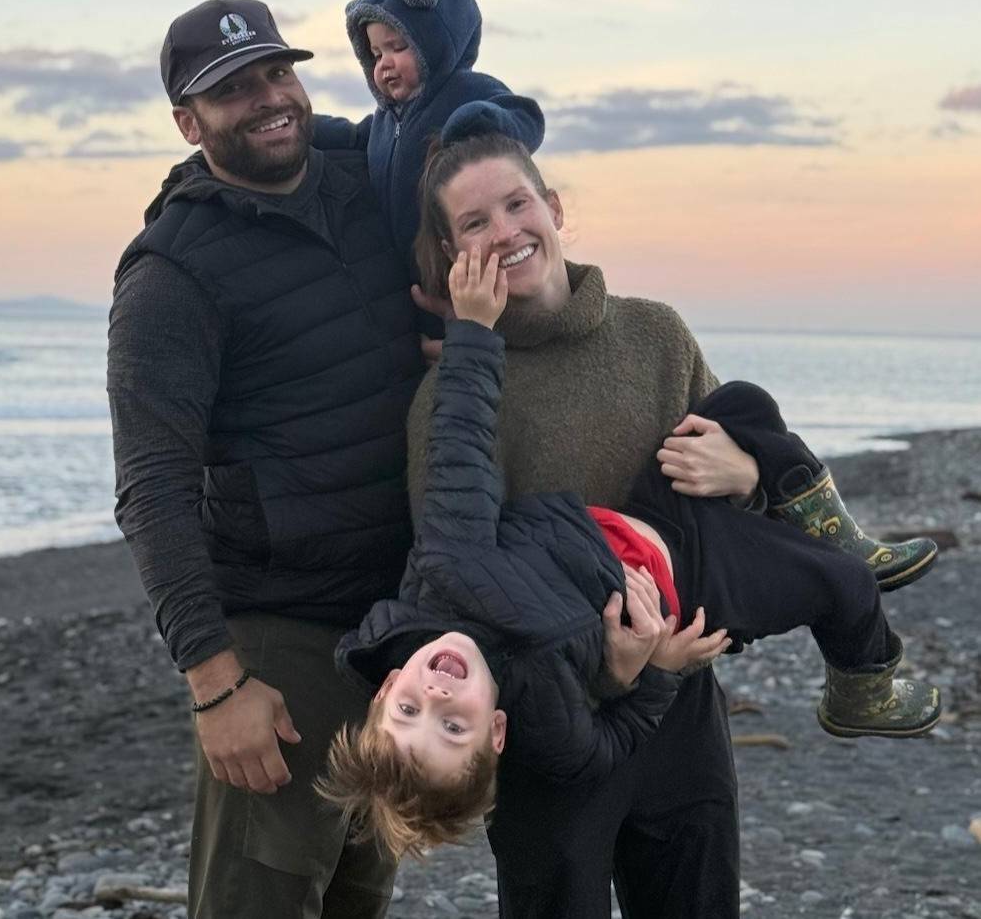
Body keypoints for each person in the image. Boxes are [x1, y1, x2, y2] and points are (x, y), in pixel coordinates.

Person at [400, 132, 936, 917]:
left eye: (517, 203)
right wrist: (615, 670)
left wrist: (746, 476)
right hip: (558, 727)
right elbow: (458, 585)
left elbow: (738, 532)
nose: (506, 230)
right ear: (453, 253)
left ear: (553, 208)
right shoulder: (452, 395)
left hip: (681, 703)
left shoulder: (654, 333)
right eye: (475, 222)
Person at [317, 247, 940, 862]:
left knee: (744, 402)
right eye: (454, 727)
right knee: (847, 585)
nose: (436, 694)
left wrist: (473, 335)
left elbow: (460, 451)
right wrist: (652, 672)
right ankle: (862, 685)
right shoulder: (547, 718)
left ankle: (830, 519)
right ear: (497, 732)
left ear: (386, 689)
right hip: (695, 587)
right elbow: (603, 748)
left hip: (644, 517)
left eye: (408, 709)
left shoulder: (447, 568)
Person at [107, 0, 423, 919]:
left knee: (361, 890)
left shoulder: (363, 170)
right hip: (282, 635)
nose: (269, 98)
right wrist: (216, 686)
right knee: (261, 896)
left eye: (277, 72)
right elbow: (152, 490)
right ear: (188, 122)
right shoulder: (170, 274)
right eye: (233, 89)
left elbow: (459, 126)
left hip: (397, 619)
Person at [313, 0, 545, 279]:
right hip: (408, 275)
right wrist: (308, 129)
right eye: (376, 54)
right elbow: (355, 137)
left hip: (464, 267)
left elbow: (525, 117)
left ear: (434, 42)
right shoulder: (387, 120)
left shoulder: (466, 90)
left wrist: (479, 122)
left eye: (398, 47)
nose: (385, 63)